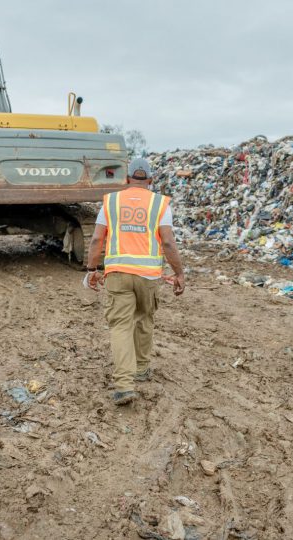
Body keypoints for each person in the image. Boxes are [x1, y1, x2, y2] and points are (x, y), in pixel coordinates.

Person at [84, 157, 185, 405]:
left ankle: (124, 386)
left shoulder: (111, 201)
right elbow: (169, 242)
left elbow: (97, 240)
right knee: (144, 319)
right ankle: (140, 369)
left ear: (126, 179)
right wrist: (179, 272)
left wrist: (91, 269)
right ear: (150, 180)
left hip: (117, 274)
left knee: (120, 326)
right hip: (148, 276)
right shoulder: (160, 204)